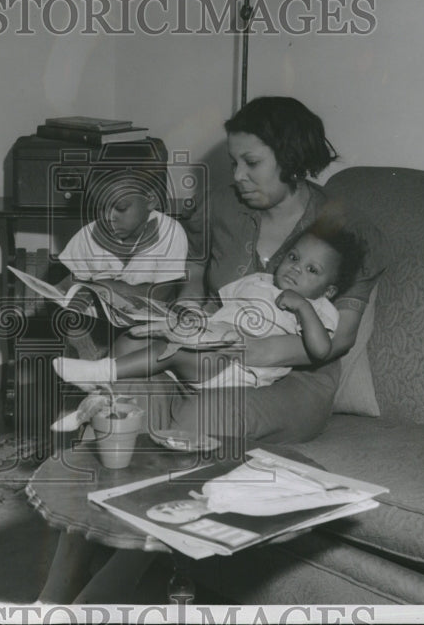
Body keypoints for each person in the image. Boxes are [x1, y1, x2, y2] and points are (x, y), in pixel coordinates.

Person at [37, 96, 387, 604]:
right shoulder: (221, 205)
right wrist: (175, 317)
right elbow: (195, 286)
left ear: (291, 158)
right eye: (234, 163)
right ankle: (55, 589)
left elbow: (339, 339)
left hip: (293, 378)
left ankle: (92, 600)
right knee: (123, 400)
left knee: (194, 421)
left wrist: (239, 347)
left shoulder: (347, 229)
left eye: (253, 163)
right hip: (205, 352)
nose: (239, 176)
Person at [52, 219, 364, 390]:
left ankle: (100, 372)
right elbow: (219, 308)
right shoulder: (258, 281)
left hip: (236, 367)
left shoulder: (320, 308)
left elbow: (321, 349)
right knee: (135, 336)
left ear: (329, 289)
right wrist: (196, 315)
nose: (296, 268)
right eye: (295, 258)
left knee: (177, 349)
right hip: (207, 340)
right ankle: (103, 386)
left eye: (312, 270)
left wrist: (303, 308)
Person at [54, 167, 188, 359]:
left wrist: (107, 287)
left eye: (121, 208)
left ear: (150, 200)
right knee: (75, 332)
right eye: (101, 208)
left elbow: (161, 294)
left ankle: (103, 375)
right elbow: (71, 282)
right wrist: (55, 292)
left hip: (148, 325)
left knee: (137, 347)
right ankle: (93, 380)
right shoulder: (88, 235)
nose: (109, 217)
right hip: (98, 324)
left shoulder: (170, 233)